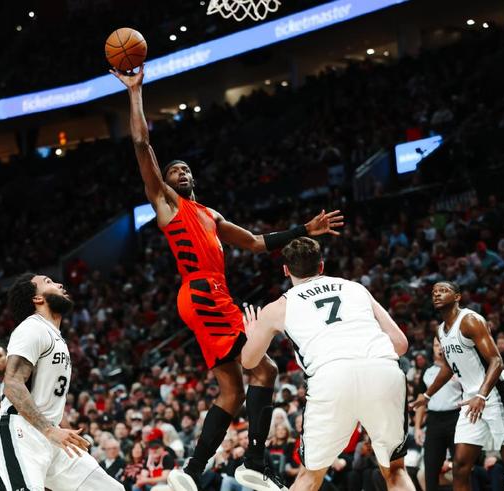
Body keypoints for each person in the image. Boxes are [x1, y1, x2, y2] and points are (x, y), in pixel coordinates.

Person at [111, 66, 344, 491]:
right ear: (164, 181)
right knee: (266, 368)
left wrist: (304, 230)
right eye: (173, 170)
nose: (180, 172)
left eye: (185, 169)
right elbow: (142, 144)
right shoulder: (167, 203)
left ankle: (191, 471)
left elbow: (255, 242)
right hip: (202, 291)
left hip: (211, 294)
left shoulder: (210, 214)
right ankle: (254, 461)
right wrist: (135, 92)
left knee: (233, 391)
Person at [239, 237, 414, 491]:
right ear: (321, 266)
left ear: (286, 270)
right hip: (382, 370)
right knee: (396, 470)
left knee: (310, 476)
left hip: (330, 378)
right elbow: (400, 344)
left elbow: (249, 361)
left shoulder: (278, 307)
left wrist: (253, 335)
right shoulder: (356, 288)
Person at [0, 273, 124, 491]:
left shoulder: (55, 336)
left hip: (51, 435)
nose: (59, 284)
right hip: (22, 433)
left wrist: (65, 431)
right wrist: (49, 430)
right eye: (48, 282)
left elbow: (50, 398)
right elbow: (12, 384)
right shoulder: (31, 328)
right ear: (37, 299)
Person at [411, 281, 504, 491]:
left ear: (457, 297)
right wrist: (427, 395)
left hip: (496, 395)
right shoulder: (440, 331)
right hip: (471, 400)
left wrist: (481, 395)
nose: (437, 294)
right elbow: (448, 366)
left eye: (443, 290)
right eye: (434, 292)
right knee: (460, 467)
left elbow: (497, 361)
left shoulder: (470, 321)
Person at [413, 336, 462, 491]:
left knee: (461, 468)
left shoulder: (459, 367)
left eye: (442, 344)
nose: (440, 348)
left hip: (456, 418)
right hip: (434, 420)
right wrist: (417, 428)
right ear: (432, 349)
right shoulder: (427, 371)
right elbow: (421, 401)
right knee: (430, 468)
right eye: (436, 345)